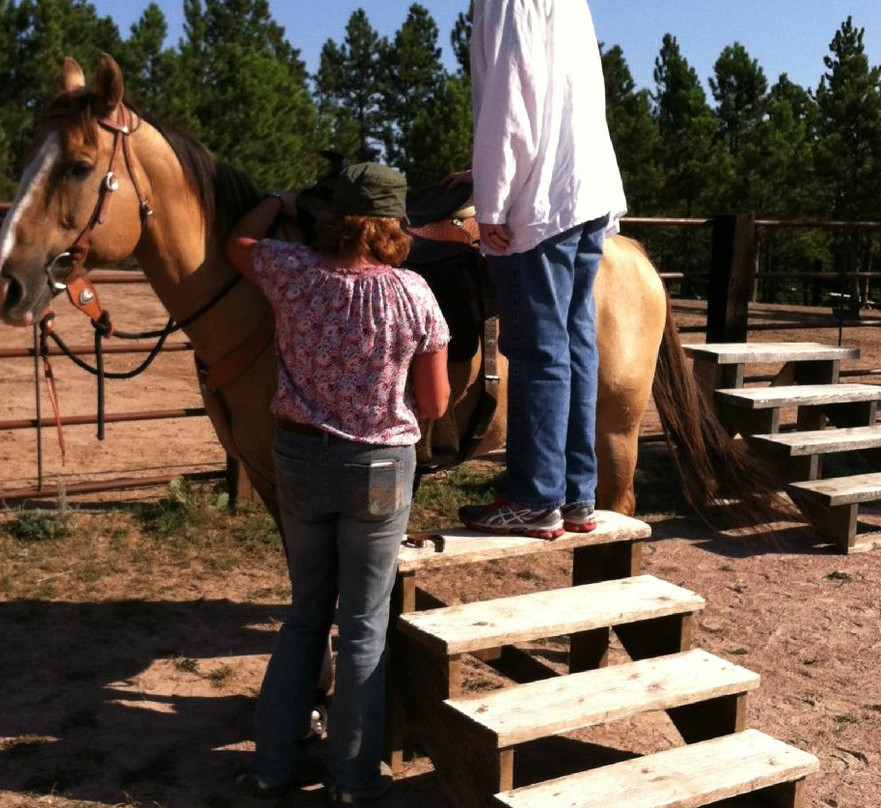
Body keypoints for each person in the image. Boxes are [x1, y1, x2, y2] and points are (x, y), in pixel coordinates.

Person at [224, 162, 451, 804]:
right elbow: (433, 404)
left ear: (334, 218)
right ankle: (352, 780)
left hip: (299, 459)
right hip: (378, 470)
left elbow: (237, 245)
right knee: (363, 625)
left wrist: (273, 198)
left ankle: (272, 765)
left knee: (304, 614)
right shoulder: (414, 293)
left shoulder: (292, 273)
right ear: (392, 223)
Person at [452, 0, 627, 540]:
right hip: (584, 188)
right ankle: (576, 493)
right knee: (573, 346)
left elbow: (510, 95)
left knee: (536, 348)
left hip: (541, 198)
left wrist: (493, 200)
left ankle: (533, 497)